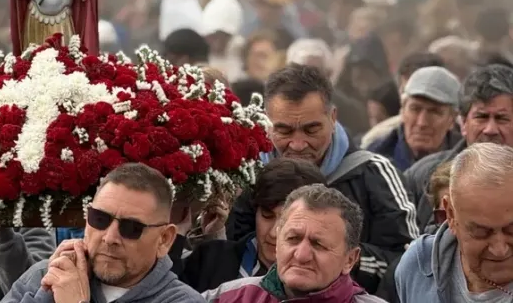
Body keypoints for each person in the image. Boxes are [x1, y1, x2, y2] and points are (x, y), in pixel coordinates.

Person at [227, 64, 418, 293]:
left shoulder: (375, 173)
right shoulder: (244, 174)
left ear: (333, 117)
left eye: (311, 130)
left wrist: (340, 258)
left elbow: (409, 262)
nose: (298, 145)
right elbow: (226, 252)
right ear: (266, 122)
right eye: (284, 131)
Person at [2, 162, 204, 303]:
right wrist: (46, 293)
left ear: (164, 239)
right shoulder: (42, 275)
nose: (110, 237)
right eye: (100, 219)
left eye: (131, 228)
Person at [206, 185, 385, 302]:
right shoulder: (229, 297)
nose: (301, 255)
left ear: (350, 260)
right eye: (293, 239)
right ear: (278, 242)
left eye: (319, 244)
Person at [170, 158, 325, 293]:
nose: (273, 233)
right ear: (254, 211)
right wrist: (175, 236)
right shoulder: (211, 257)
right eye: (267, 216)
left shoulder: (327, 278)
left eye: (289, 222)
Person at [395, 143, 513, 302]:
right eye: (481, 232)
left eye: (511, 230)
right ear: (450, 215)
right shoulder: (418, 266)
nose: (500, 249)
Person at [405, 64, 513, 232]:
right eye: (481, 117)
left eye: (501, 118)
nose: (490, 129)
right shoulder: (422, 175)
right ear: (463, 123)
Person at [366, 67, 462, 171]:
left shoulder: (467, 158)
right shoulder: (375, 158)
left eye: (434, 112)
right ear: (402, 110)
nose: (422, 123)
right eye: (415, 109)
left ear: (452, 119)